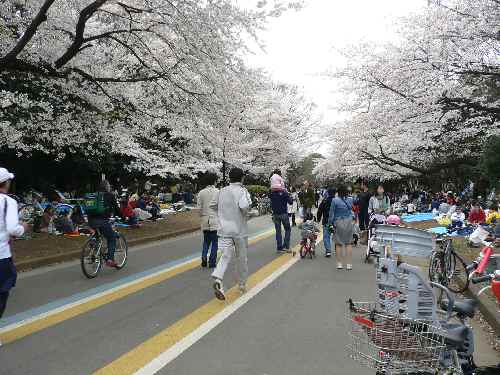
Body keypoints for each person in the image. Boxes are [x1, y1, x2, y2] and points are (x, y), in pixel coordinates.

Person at [211, 168, 253, 300]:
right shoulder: (243, 191)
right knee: (241, 258)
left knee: (225, 256)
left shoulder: (221, 191)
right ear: (242, 178)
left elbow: (213, 205)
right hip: (239, 230)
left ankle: (218, 278)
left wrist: (223, 214)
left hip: (224, 229)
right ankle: (241, 285)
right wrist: (249, 215)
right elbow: (245, 207)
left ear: (229, 178)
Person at [0, 168, 28, 342]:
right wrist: (23, 228)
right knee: (2, 294)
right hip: (1, 256)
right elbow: (12, 229)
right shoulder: (8, 202)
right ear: (6, 183)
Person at [87, 180, 120, 267]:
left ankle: (93, 252)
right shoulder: (110, 195)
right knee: (112, 237)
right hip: (102, 221)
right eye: (109, 185)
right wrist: (124, 218)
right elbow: (117, 209)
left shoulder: (93, 195)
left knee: (97, 237)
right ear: (106, 187)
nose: (110, 187)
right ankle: (110, 259)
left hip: (90, 221)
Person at [328, 185, 355, 270]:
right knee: (349, 243)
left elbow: (331, 213)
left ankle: (339, 263)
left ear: (338, 192)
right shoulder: (350, 199)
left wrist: (329, 223)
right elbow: (351, 210)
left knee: (338, 244)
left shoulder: (335, 200)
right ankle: (349, 264)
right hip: (348, 222)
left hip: (338, 222)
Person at [197, 173, 219, 268]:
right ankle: (212, 262)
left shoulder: (201, 193)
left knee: (206, 241)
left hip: (205, 219)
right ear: (214, 181)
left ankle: (203, 258)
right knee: (215, 242)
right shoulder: (218, 192)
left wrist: (202, 215)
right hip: (215, 219)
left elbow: (199, 208)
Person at [269, 187, 293, 253]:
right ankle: (286, 246)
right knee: (288, 229)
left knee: (278, 231)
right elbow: (290, 202)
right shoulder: (284, 193)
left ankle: (279, 248)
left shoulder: (272, 193)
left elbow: (269, 196)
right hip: (283, 214)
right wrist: (288, 194)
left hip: (275, 214)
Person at [317, 187, 336, 257]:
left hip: (326, 221)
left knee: (326, 236)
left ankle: (328, 251)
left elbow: (320, 210)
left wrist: (318, 219)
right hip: (336, 221)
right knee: (336, 235)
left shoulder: (325, 200)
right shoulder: (337, 201)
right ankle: (338, 248)